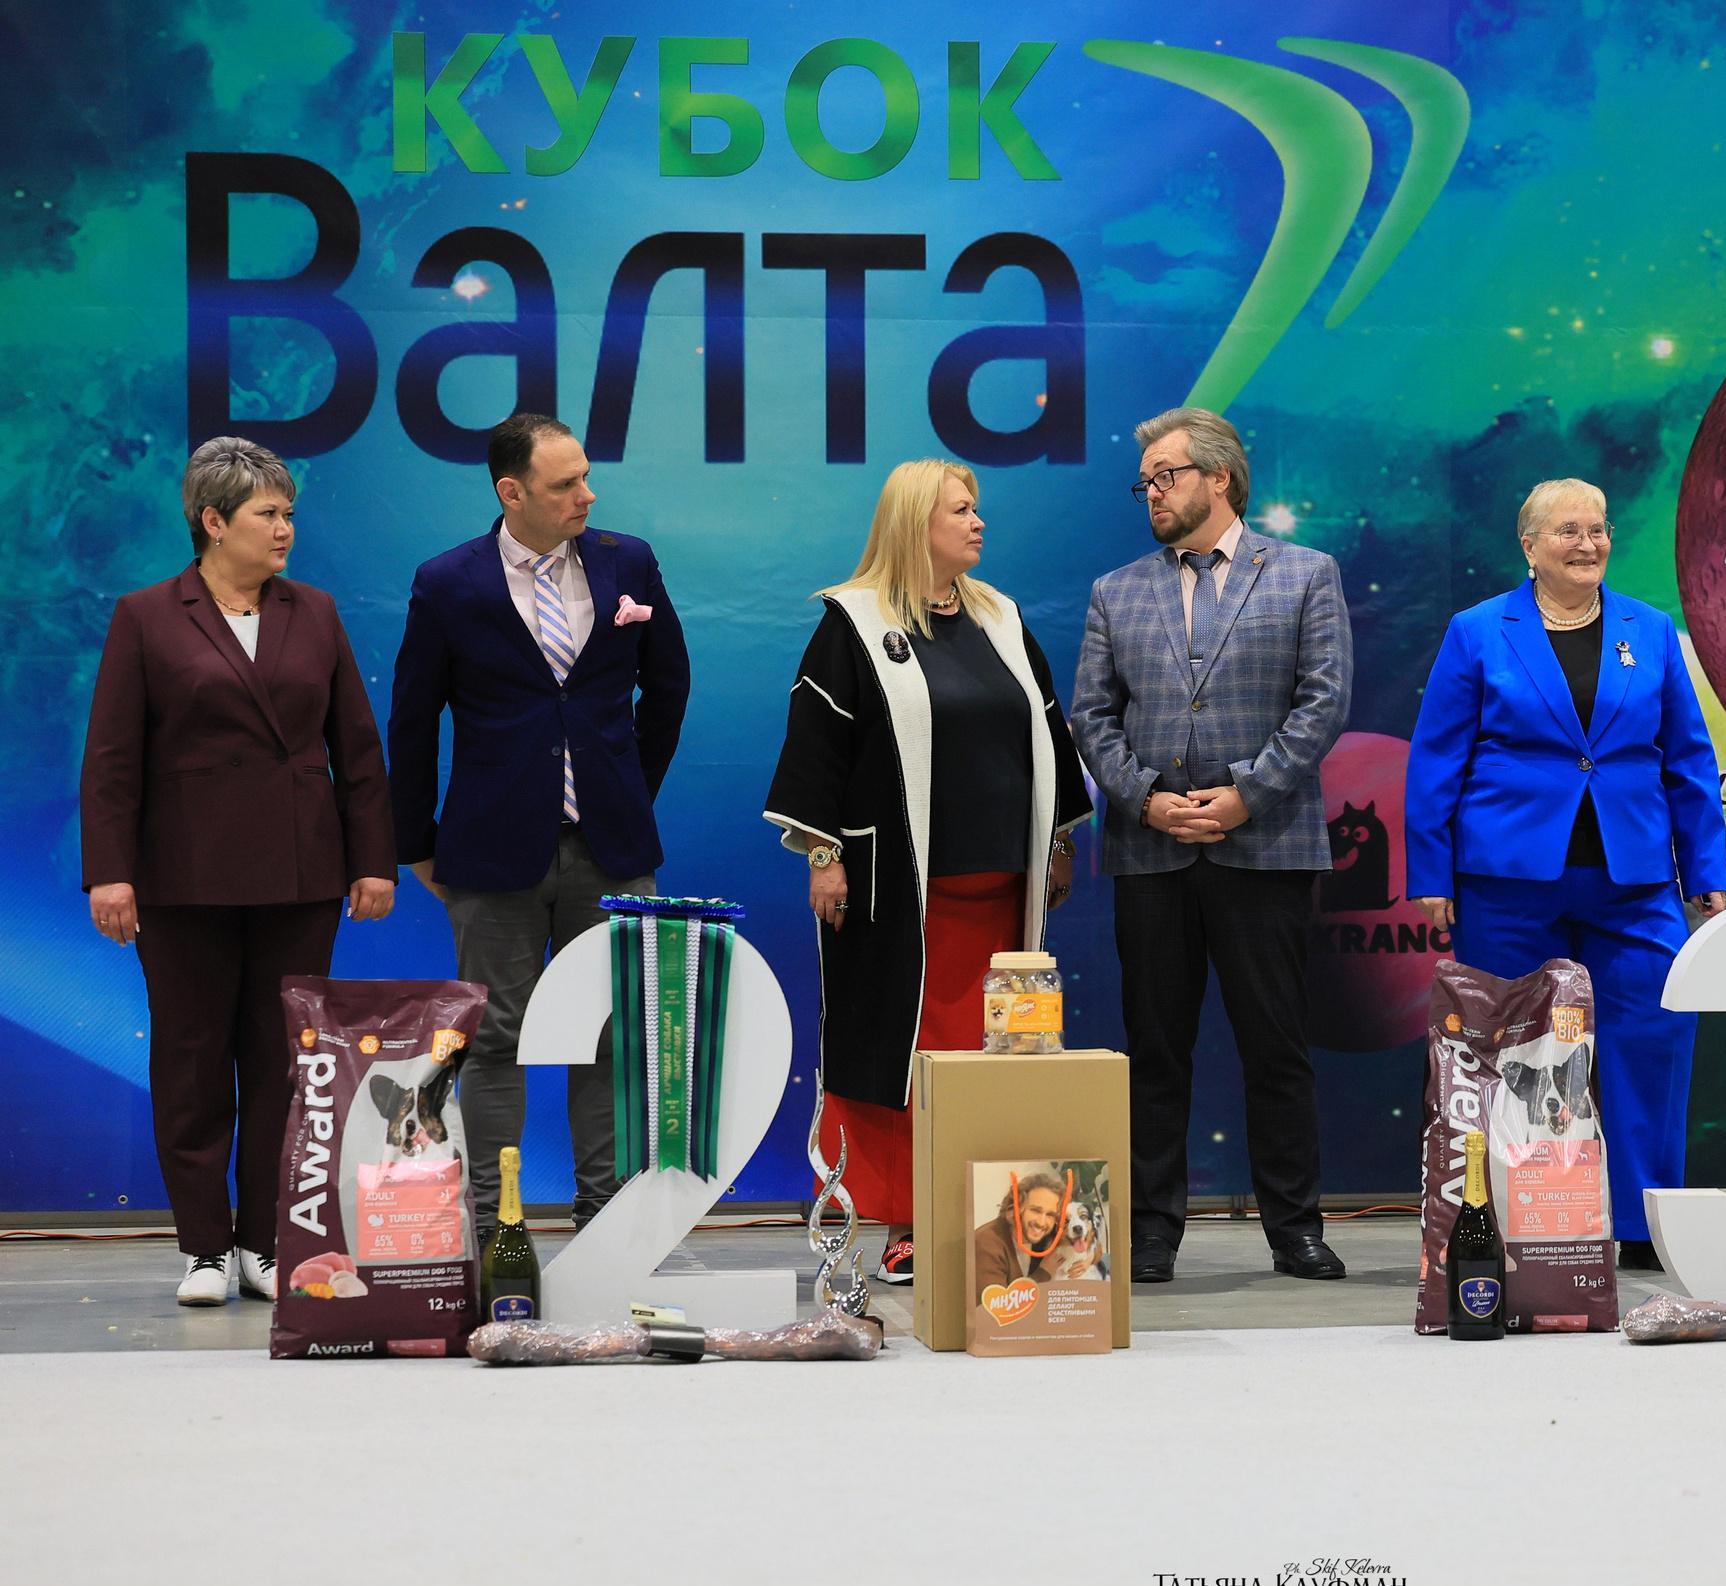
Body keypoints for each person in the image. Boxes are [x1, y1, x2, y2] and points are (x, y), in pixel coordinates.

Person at [79, 438, 397, 1307]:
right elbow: (111, 757)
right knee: (190, 1056)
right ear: (213, 522)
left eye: (289, 512)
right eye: (269, 513)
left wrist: (373, 859)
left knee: (285, 1061)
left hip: (300, 871)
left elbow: (357, 749)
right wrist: (110, 872)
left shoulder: (317, 612)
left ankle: (264, 1239)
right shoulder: (147, 616)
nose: (286, 528)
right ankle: (204, 1248)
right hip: (182, 876)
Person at [764, 458, 1088, 1286]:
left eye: (978, 508)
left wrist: (1057, 839)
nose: (979, 522)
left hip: (1002, 897)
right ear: (916, 524)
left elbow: (1049, 730)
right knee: (903, 1060)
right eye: (961, 510)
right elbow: (817, 749)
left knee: (1005, 1061)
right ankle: (909, 1224)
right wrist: (825, 854)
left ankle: (1005, 1227)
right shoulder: (855, 622)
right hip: (897, 897)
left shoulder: (1001, 616)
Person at [1403, 478, 1726, 1271]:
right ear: (1529, 545)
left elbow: (1689, 758)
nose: (1587, 544)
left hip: (1635, 878)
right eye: (1567, 531)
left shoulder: (1648, 630)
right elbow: (1436, 759)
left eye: (1598, 530)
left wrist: (1706, 868)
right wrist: (1431, 872)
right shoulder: (1479, 631)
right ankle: (1515, 1213)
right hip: (1507, 877)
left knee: (1652, 1036)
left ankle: (1644, 1221)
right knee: (1511, 1052)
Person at [388, 414, 689, 1243]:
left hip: (613, 849)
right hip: (489, 855)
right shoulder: (449, 581)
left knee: (611, 1039)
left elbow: (669, 687)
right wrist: (416, 840)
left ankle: (604, 1223)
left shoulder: (629, 562)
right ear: (510, 492)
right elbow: (412, 721)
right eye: (565, 485)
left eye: (586, 477)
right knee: (492, 1044)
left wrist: (625, 791)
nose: (586, 495)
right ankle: (498, 1228)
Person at [1069, 407, 1352, 1285]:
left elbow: (1324, 701)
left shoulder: (1305, 573)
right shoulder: (1116, 590)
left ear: (1219, 478)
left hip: (1263, 848)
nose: (1150, 491)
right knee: (1155, 1051)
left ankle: (1295, 1228)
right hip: (1151, 854)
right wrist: (1148, 800)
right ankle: (1151, 1232)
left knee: (1277, 1047)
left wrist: (1243, 795)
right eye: (1144, 480)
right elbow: (1090, 715)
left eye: (1166, 474)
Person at [972, 1170, 1069, 1290]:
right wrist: (1042, 1274)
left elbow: (1091, 1241)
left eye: (1050, 1214)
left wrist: (1090, 1259)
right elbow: (995, 1306)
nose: (1041, 1222)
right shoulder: (986, 1244)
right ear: (1016, 1207)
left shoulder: (1046, 1233)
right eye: (1035, 1210)